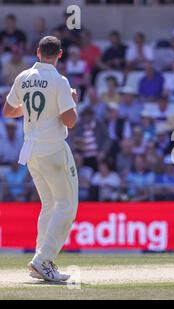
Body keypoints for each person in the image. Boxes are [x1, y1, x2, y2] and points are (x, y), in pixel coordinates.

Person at [2, 36, 78, 282]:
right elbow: (70, 121)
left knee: (49, 204)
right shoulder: (60, 80)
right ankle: (43, 259)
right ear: (60, 54)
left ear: (37, 52)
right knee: (66, 205)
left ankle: (40, 260)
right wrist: (72, 102)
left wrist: (37, 108)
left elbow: (9, 111)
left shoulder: (23, 77)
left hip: (31, 148)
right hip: (53, 148)